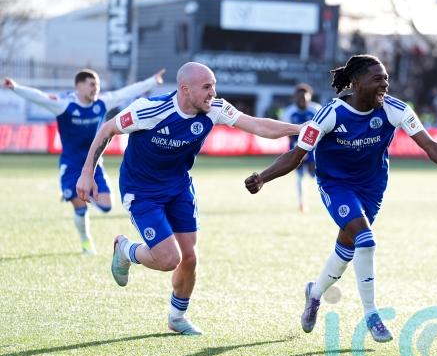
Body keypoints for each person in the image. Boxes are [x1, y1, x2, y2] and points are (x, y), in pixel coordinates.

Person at [244, 54, 437, 343]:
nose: (385, 84)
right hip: (336, 185)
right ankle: (372, 315)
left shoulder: (395, 109)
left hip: (372, 188)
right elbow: (296, 155)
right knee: (365, 240)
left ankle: (314, 293)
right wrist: (263, 178)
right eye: (377, 79)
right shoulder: (330, 114)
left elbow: (429, 145)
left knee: (347, 248)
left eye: (386, 79)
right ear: (356, 83)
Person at [76, 62, 300, 335]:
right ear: (185, 89)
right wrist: (87, 173)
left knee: (190, 258)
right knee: (169, 259)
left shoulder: (215, 108)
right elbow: (107, 130)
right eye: (206, 87)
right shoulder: (150, 110)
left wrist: (299, 129)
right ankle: (125, 250)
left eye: (214, 86)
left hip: (179, 187)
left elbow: (257, 125)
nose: (213, 93)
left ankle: (177, 317)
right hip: (142, 191)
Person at [3, 69, 165, 255]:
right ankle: (86, 241)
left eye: (98, 85)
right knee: (80, 208)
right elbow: (39, 97)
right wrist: (15, 87)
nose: (96, 89)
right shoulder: (64, 104)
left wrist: (153, 81)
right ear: (78, 86)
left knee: (106, 206)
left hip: (94, 164)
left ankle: (75, 193)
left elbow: (126, 92)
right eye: (92, 84)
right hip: (71, 165)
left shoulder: (102, 103)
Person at [279, 83, 322, 212]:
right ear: (295, 98)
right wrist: (298, 150)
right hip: (296, 146)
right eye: (300, 97)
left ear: (310, 97)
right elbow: (287, 133)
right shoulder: (288, 112)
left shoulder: (316, 110)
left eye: (305, 97)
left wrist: (312, 150)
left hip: (314, 147)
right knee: (300, 175)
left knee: (317, 175)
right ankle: (302, 203)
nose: (302, 100)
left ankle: (326, 199)